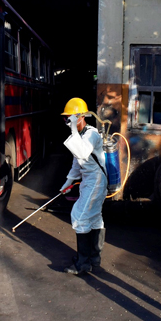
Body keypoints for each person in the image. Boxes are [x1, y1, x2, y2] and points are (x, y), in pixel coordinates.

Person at [59, 97, 107, 275]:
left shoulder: (92, 134)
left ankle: (83, 263)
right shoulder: (79, 135)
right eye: (66, 119)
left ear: (80, 117)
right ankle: (93, 259)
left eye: (69, 118)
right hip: (89, 181)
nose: (67, 122)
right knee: (94, 218)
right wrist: (68, 181)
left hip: (96, 181)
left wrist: (73, 128)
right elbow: (76, 162)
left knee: (80, 216)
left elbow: (83, 151)